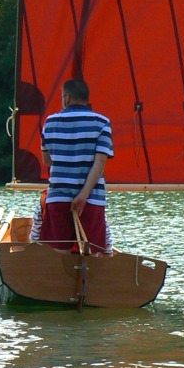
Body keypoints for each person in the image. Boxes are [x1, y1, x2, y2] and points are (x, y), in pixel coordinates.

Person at [37, 79, 114, 254]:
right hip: (91, 199)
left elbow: (47, 160)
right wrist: (83, 196)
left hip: (58, 197)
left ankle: (59, 280)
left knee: (57, 253)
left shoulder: (50, 122)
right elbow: (100, 163)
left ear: (67, 97)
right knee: (93, 254)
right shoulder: (102, 123)